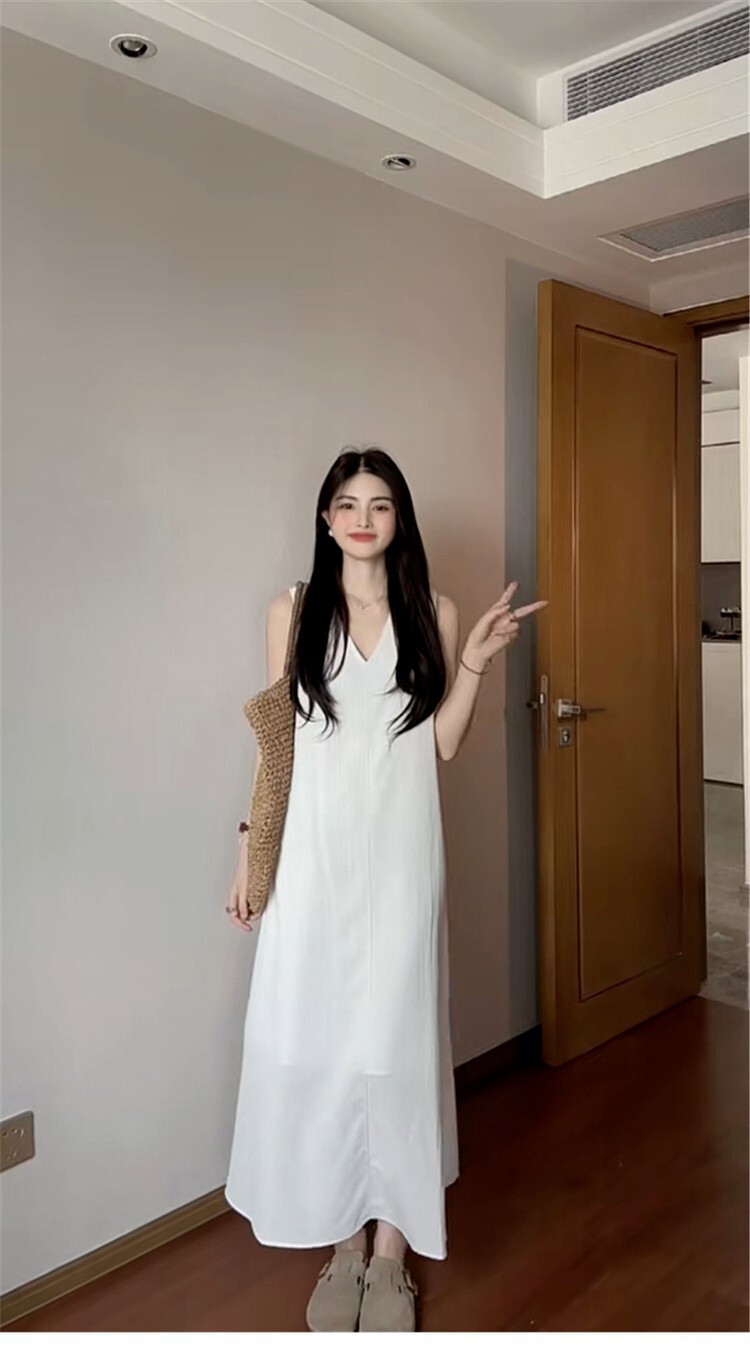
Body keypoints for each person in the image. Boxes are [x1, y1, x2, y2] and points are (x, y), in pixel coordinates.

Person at [223, 446, 547, 1331]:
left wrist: (472, 661)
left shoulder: (431, 611)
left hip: (404, 862)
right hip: (314, 865)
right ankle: (341, 1242)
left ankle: (393, 1250)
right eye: (348, 503)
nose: (363, 518)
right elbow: (276, 749)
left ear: (399, 518)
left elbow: (441, 743)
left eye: (380, 503)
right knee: (321, 1046)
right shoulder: (293, 611)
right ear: (326, 519)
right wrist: (249, 854)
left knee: (398, 1047)